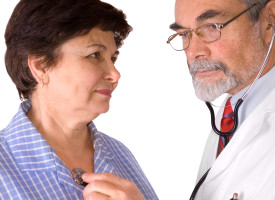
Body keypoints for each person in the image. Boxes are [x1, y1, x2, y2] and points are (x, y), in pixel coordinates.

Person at [0, 0, 159, 199]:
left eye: (112, 58)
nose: (115, 74)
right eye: (94, 55)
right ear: (40, 66)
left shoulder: (120, 155)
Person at [167, 0, 275, 199]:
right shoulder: (234, 107)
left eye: (212, 27)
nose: (193, 52)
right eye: (184, 34)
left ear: (270, 20)